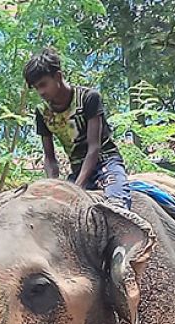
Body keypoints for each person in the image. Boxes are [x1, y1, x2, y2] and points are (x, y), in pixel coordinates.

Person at [24, 46, 131, 209]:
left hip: (105, 163)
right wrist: (53, 185)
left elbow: (94, 147)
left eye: (43, 84)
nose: (41, 92)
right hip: (77, 170)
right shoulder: (42, 113)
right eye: (36, 87)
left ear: (58, 77)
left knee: (117, 206)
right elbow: (50, 157)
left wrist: (77, 188)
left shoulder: (89, 98)